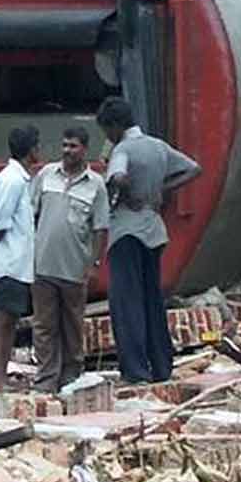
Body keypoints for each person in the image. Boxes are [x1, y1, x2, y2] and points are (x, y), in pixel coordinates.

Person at [96, 96, 201, 384]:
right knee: (151, 298)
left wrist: (128, 194)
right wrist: (162, 190)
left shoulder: (123, 148)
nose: (106, 136)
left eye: (107, 130)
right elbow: (193, 168)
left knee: (126, 302)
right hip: (154, 229)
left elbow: (117, 176)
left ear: (115, 126)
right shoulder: (157, 146)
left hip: (126, 232)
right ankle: (162, 366)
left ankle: (135, 370)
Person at [31, 126, 108, 393]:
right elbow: (31, 215)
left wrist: (94, 264)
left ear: (84, 149)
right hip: (42, 266)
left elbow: (100, 228)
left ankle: (71, 379)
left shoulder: (96, 184)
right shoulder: (46, 175)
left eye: (73, 146)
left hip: (75, 269)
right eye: (64, 145)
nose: (67, 151)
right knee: (43, 326)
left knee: (72, 327)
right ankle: (46, 380)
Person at [0, 125, 39, 392]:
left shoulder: (20, 179)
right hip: (10, 261)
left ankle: (1, 376)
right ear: (32, 150)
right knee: (1, 320)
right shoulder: (12, 180)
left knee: (9, 321)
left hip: (18, 262)